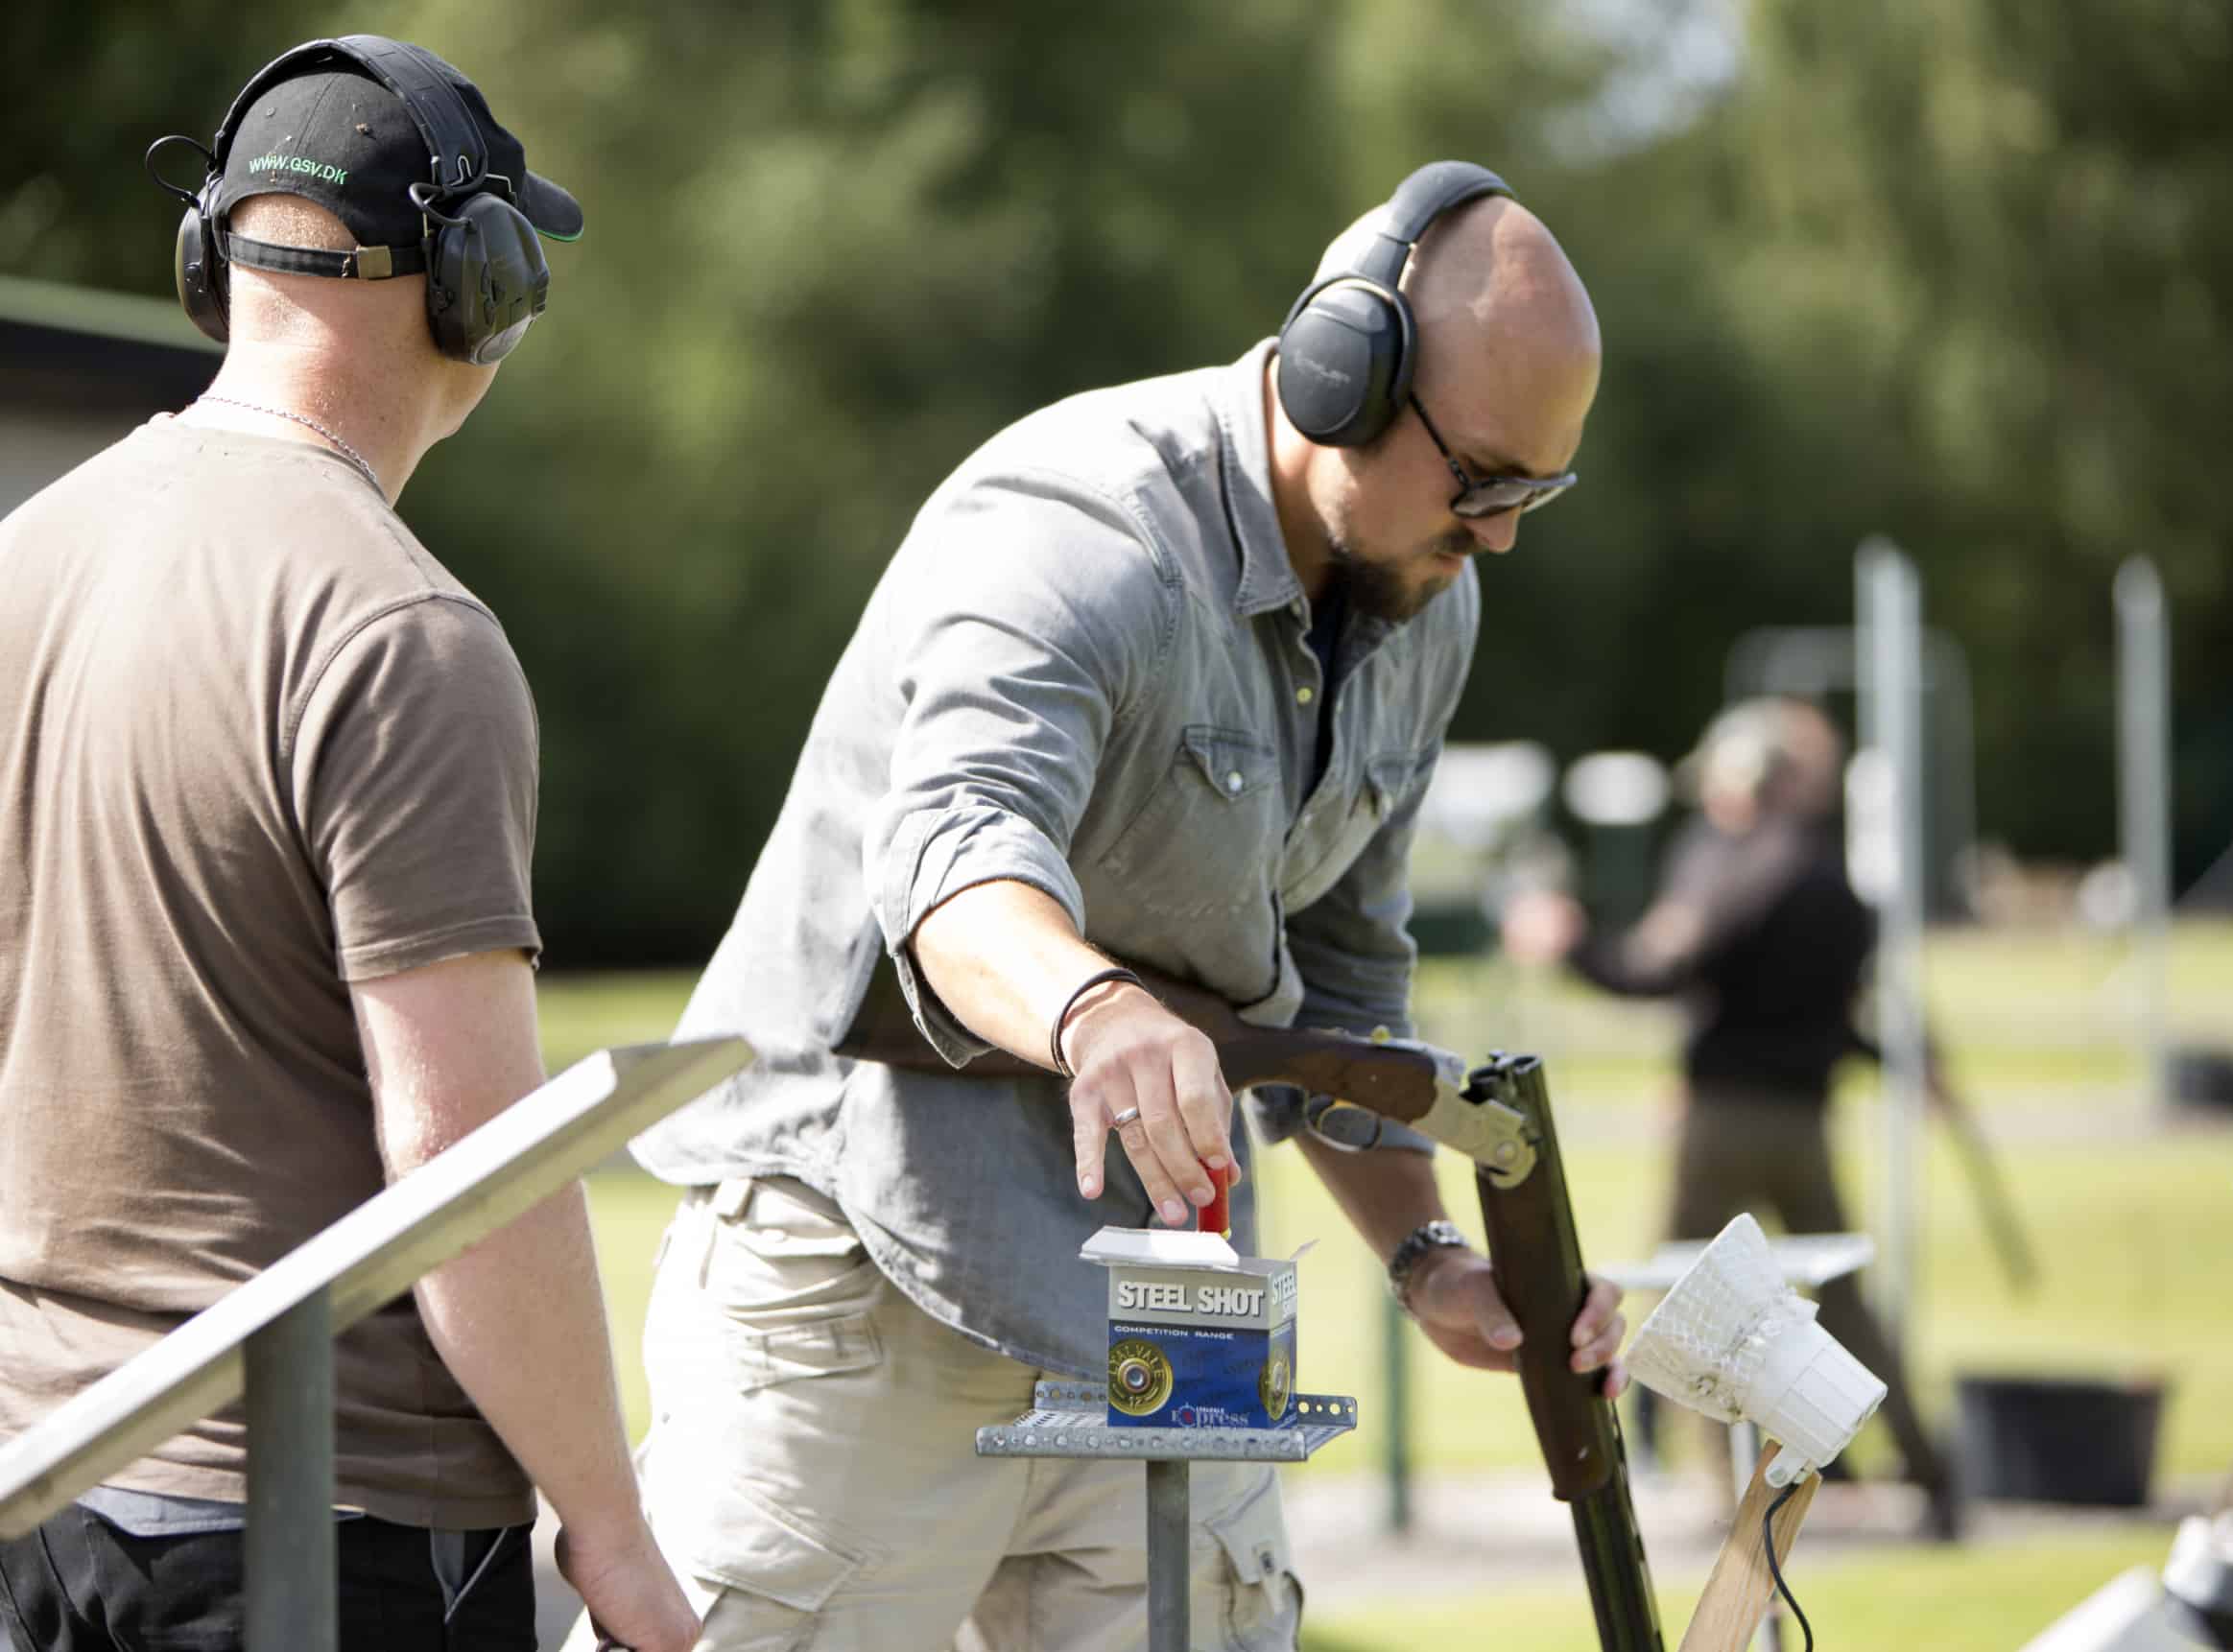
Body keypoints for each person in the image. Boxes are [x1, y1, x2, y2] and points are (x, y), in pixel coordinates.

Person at [620, 161, 1625, 1651]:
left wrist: (1429, 1263)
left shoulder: (1425, 601)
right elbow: (955, 852)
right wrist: (1093, 1007)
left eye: (1536, 491)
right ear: (1347, 373)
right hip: (880, 1257)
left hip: (1171, 1277)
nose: (1499, 536)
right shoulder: (1079, 530)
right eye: (1480, 479)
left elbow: (1344, 997)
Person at [0, 37, 698, 1652]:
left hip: (42, 1501)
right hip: (323, 1531)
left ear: (213, 262)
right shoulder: (401, 635)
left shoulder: (21, 564)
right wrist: (609, 1522)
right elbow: (467, 1163)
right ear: (482, 288)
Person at [1504, 696, 1961, 1538]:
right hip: (1805, 1122)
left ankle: (1719, 1492)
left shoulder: (1733, 869)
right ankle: (1931, 1472)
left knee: (1690, 1299)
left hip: (1722, 1121)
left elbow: (1656, 974)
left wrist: (1567, 945)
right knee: (1846, 1301)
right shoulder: (1834, 883)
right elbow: (1840, 1018)